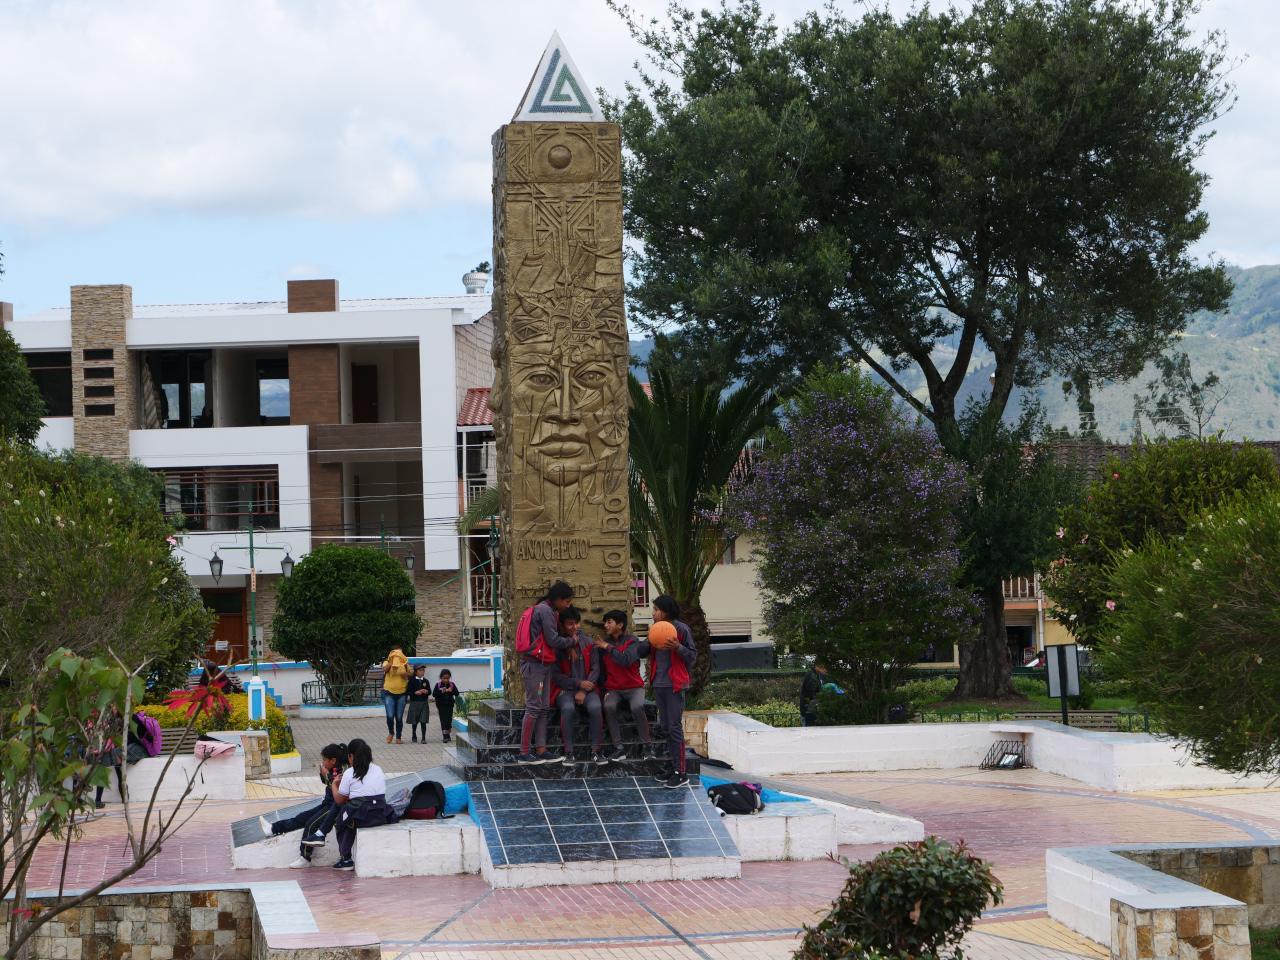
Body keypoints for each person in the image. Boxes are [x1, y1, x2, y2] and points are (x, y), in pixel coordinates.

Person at [517, 581, 577, 765]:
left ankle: (541, 749)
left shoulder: (545, 609)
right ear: (557, 599)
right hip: (534, 665)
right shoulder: (545, 611)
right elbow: (552, 640)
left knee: (543, 708)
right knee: (534, 708)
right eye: (567, 602)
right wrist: (572, 642)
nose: (567, 606)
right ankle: (524, 753)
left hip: (542, 665)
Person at [260, 743, 347, 868]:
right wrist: (323, 774)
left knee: (311, 824)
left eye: (324, 760)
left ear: (333, 760)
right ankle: (273, 828)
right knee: (301, 817)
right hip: (327, 804)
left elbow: (337, 788)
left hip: (334, 807)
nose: (322, 762)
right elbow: (327, 782)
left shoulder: (343, 771)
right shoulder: (334, 768)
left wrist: (327, 775)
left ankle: (305, 857)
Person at [644, 594, 698, 789]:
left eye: (656, 609)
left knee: (674, 728)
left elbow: (692, 655)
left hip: (675, 685)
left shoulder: (681, 629)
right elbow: (643, 652)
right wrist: (646, 641)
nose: (653, 613)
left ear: (665, 611)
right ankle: (674, 766)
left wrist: (677, 647)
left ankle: (681, 773)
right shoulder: (655, 629)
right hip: (659, 684)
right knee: (666, 727)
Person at [594, 609, 655, 761]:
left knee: (637, 707)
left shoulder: (632, 641)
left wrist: (608, 647)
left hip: (634, 687)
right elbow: (601, 671)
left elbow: (626, 660)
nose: (605, 625)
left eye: (609, 622)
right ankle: (618, 748)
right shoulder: (604, 644)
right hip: (613, 689)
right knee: (608, 706)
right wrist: (602, 692)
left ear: (620, 625)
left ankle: (648, 748)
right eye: (605, 622)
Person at [550, 607, 605, 765]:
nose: (575, 627)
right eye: (570, 624)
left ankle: (596, 750)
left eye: (577, 623)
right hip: (564, 690)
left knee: (596, 707)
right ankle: (569, 752)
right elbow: (556, 676)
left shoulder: (589, 643)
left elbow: (595, 669)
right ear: (562, 626)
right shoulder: (557, 647)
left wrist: (583, 690)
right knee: (568, 708)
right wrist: (578, 683)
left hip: (588, 689)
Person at [331, 739, 394, 871]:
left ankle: (345, 858)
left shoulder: (349, 773)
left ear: (351, 756)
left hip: (362, 818)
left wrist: (333, 784)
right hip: (381, 815)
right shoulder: (378, 769)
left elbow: (339, 800)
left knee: (341, 819)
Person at [381, 647, 411, 744]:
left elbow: (411, 675)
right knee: (390, 715)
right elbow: (385, 669)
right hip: (389, 693)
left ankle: (398, 737)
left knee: (399, 716)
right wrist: (392, 660)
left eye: (400, 653)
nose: (399, 654)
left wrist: (408, 675)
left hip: (402, 693)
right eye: (397, 652)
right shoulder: (386, 662)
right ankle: (391, 732)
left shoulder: (404, 664)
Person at [405, 665, 432, 743]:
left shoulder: (426, 681)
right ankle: (414, 734)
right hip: (414, 702)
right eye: (420, 670)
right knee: (414, 720)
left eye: (423, 670)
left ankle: (423, 737)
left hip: (424, 702)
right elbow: (408, 692)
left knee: (423, 720)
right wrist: (415, 693)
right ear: (416, 672)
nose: (422, 672)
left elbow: (430, 691)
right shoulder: (412, 681)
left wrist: (426, 692)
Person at [432, 669, 459, 743]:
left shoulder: (452, 684)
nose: (446, 680)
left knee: (449, 719)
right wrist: (441, 692)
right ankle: (445, 735)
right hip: (441, 705)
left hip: (449, 704)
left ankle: (448, 733)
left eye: (447, 678)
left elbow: (457, 693)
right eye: (444, 678)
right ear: (441, 677)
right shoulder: (438, 685)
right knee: (443, 719)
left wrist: (451, 691)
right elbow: (434, 694)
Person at [799, 662, 827, 727]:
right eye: (823, 668)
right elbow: (811, 696)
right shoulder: (812, 677)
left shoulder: (818, 677)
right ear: (817, 666)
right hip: (809, 712)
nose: (825, 670)